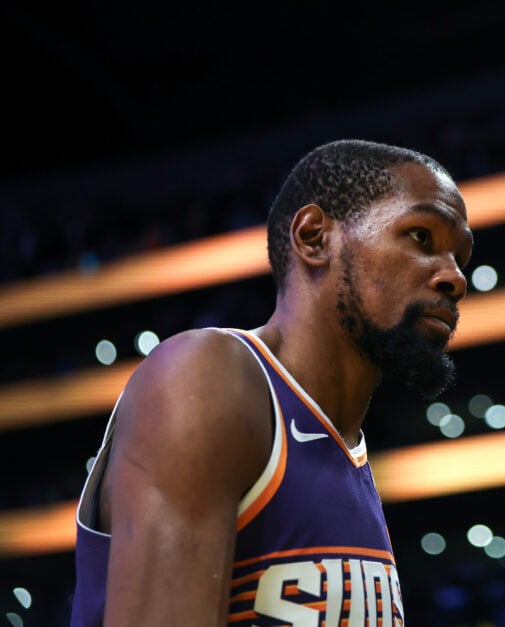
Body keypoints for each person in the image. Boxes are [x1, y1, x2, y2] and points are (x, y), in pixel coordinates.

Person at [70, 139, 475, 626]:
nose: (455, 278)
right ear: (313, 237)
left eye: (462, 258)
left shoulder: (346, 452)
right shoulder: (209, 374)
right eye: (422, 237)